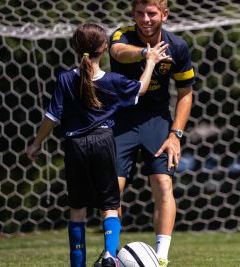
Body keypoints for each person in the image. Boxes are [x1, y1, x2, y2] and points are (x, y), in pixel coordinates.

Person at [26, 23, 171, 267]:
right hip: (104, 142)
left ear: (74, 48)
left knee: (78, 210)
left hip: (75, 146)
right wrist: (151, 62)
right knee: (110, 206)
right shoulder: (112, 81)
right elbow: (140, 89)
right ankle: (109, 256)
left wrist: (36, 144)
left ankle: (78, 264)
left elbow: (51, 117)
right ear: (104, 48)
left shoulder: (65, 79)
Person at [107, 0, 195, 267]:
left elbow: (185, 93)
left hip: (157, 122)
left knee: (163, 184)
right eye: (140, 13)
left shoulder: (178, 47)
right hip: (121, 120)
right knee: (112, 191)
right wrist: (146, 55)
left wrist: (175, 134)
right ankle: (111, 255)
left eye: (152, 14)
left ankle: (161, 258)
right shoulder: (122, 35)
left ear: (165, 15)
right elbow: (119, 52)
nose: (145, 20)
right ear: (133, 13)